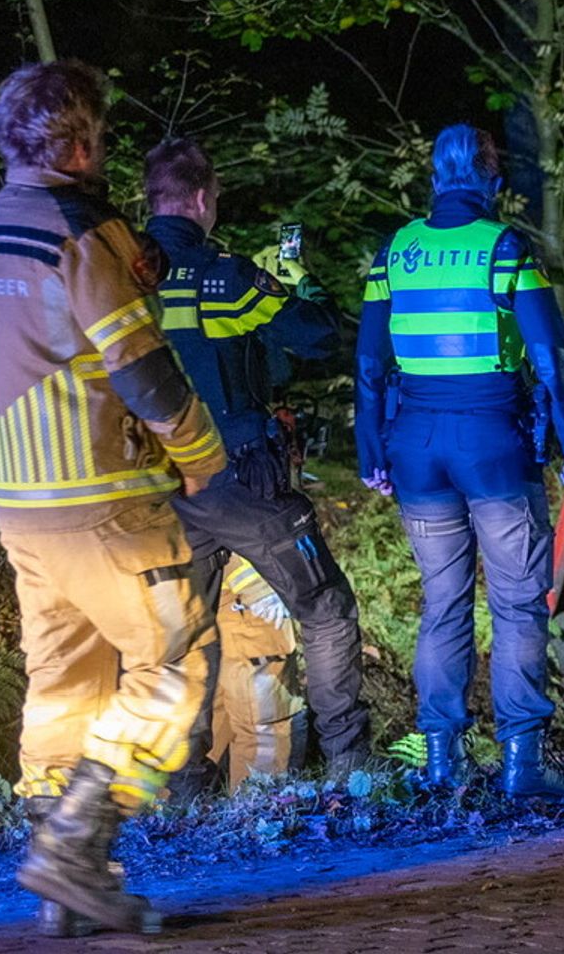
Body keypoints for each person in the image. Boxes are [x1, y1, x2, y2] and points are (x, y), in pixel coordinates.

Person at [0, 60, 225, 934]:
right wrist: (199, 451)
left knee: (64, 682)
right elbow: (142, 367)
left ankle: (62, 879)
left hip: (24, 501)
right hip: (105, 497)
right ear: (78, 142)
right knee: (174, 664)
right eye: (103, 136)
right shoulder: (82, 231)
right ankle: (77, 845)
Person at [354, 124, 564, 797]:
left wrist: (372, 449)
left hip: (416, 449)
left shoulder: (395, 252)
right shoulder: (504, 249)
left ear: (435, 176)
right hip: (493, 445)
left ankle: (441, 762)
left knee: (442, 601)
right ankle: (523, 766)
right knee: (518, 604)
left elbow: (371, 362)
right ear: (494, 180)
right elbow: (551, 359)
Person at [142, 137, 372, 778]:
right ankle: (352, 767)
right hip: (244, 478)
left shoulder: (122, 280)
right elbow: (319, 335)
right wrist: (301, 280)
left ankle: (182, 789)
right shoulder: (228, 276)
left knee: (182, 641)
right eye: (212, 197)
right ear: (199, 198)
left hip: (161, 488)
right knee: (326, 610)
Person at [208, 555, 308, 786]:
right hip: (247, 599)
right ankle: (257, 812)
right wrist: (258, 586)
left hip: (196, 590)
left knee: (203, 722)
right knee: (264, 728)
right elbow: (227, 519)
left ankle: (163, 815)